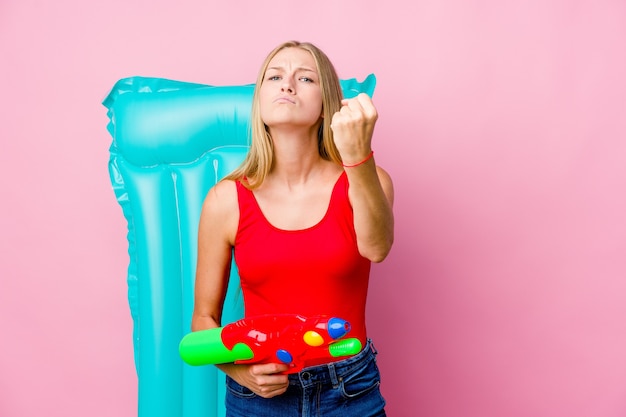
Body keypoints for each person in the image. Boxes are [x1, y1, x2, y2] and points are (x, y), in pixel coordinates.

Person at [191, 40, 394, 417]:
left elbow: (377, 248)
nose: (287, 85)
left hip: (350, 390)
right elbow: (204, 320)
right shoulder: (225, 200)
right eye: (275, 76)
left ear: (326, 105)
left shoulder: (367, 180)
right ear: (260, 102)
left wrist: (357, 156)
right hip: (258, 398)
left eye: (305, 78)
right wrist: (241, 371)